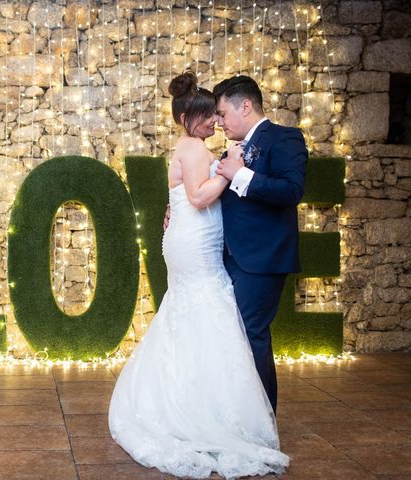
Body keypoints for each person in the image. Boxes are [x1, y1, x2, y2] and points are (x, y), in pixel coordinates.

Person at [109, 72, 289, 479]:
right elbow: (196, 196)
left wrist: (223, 169)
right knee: (206, 309)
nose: (216, 123)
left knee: (198, 315)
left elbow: (192, 198)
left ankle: (202, 402)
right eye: (210, 116)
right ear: (191, 116)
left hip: (197, 238)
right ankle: (200, 412)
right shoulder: (192, 147)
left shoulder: (195, 146)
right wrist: (228, 171)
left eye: (218, 116)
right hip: (194, 245)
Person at [214, 75, 307, 413]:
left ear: (246, 106)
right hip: (230, 257)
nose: (218, 121)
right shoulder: (231, 150)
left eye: (223, 113)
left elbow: (291, 191)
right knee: (233, 337)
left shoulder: (285, 138)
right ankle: (238, 415)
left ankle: (262, 422)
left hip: (262, 258)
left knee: (250, 334)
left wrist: (240, 174)